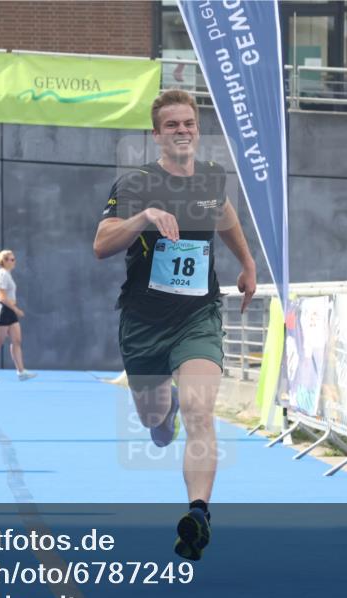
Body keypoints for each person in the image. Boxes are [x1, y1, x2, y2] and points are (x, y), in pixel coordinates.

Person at [93, 90, 257, 561]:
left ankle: (198, 514)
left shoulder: (211, 178)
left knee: (200, 410)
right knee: (154, 420)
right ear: (157, 134)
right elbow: (101, 244)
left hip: (196, 315)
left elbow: (223, 214)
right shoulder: (137, 183)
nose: (182, 131)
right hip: (144, 322)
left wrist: (246, 262)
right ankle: (161, 416)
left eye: (189, 123)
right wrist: (144, 217)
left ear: (197, 129)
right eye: (172, 125)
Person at [0, 250, 37, 382]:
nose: (14, 261)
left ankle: (21, 371)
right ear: (4, 261)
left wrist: (13, 309)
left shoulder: (7, 274)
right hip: (3, 310)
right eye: (11, 259)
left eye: (14, 259)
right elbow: (1, 295)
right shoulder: (2, 274)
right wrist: (15, 309)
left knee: (16, 340)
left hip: (9, 311)